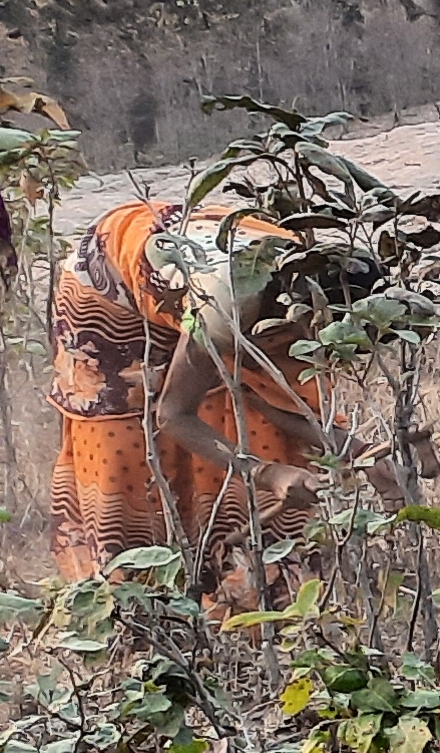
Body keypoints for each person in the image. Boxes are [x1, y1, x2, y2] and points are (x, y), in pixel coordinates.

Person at [47, 200, 339, 587]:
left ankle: (221, 548)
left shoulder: (318, 277)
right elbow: (172, 414)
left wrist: (361, 453)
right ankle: (135, 587)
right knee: (129, 431)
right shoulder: (226, 306)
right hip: (105, 293)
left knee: (235, 387)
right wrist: (266, 473)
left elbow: (273, 391)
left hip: (195, 273)